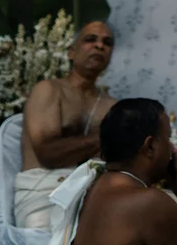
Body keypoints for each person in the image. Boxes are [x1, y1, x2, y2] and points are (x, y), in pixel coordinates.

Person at [65, 98, 177, 245]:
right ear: (150, 147)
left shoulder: (95, 186)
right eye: (168, 138)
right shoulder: (150, 203)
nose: (172, 150)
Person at [17, 21, 119, 230]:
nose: (99, 46)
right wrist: (103, 137)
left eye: (107, 43)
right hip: (43, 194)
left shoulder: (111, 105)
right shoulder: (49, 91)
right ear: (71, 52)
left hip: (92, 195)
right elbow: (49, 153)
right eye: (90, 39)